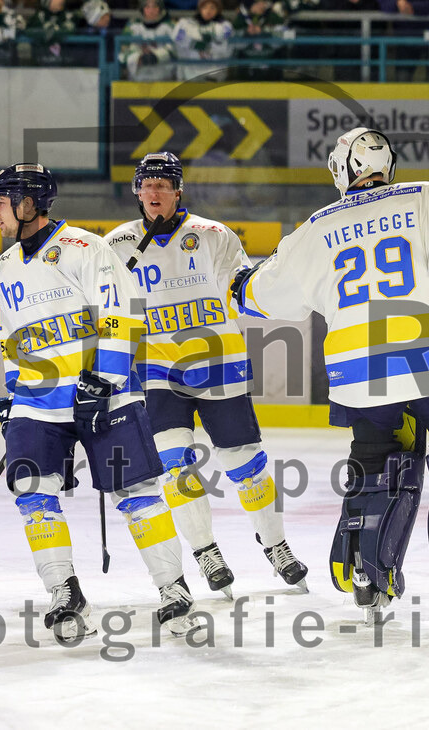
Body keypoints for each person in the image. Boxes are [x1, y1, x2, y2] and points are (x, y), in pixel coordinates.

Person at [229, 128, 429, 623]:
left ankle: (368, 582)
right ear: (387, 165)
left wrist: (240, 284)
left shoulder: (315, 227)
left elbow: (262, 295)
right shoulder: (423, 197)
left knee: (378, 468)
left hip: (359, 377)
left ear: (339, 171)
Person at [0, 163, 198, 639]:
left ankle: (173, 587)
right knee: (31, 492)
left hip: (106, 394)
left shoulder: (85, 247)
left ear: (27, 204)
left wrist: (103, 379)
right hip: (38, 400)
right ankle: (64, 590)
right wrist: (11, 392)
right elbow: (10, 340)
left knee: (138, 491)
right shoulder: (2, 270)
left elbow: (121, 315)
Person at [105, 152, 308, 599]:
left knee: (246, 466)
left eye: (164, 185)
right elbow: (108, 312)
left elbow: (240, 287)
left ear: (178, 192)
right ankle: (206, 552)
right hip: (157, 371)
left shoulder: (213, 235)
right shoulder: (116, 245)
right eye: (147, 185)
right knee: (176, 468)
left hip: (219, 365)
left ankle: (275, 544)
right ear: (137, 192)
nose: (155, 193)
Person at [172, 0, 234, 81]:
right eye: (205, 7)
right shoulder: (186, 24)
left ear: (218, 10)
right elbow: (177, 40)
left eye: (212, 8)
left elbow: (226, 49)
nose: (208, 11)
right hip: (191, 73)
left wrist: (207, 46)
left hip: (214, 74)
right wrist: (195, 44)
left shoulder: (225, 26)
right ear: (200, 9)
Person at [118, 0, 176, 81]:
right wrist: (138, 58)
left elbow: (176, 50)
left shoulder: (170, 27)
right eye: (147, 7)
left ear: (160, 8)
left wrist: (157, 56)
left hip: (164, 77)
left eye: (155, 7)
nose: (151, 10)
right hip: (137, 79)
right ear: (142, 9)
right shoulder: (132, 27)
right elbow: (123, 52)